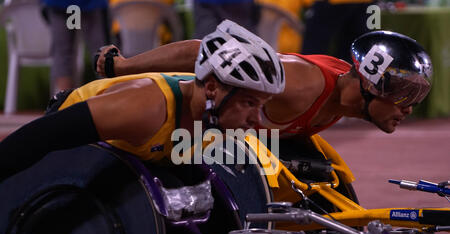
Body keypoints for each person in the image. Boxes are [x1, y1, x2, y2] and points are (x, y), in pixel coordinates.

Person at [0, 20, 285, 182]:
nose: (256, 121)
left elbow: (195, 50)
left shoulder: (213, 110)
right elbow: (39, 137)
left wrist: (122, 65)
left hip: (136, 155)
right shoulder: (144, 108)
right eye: (249, 104)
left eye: (260, 106)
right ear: (211, 89)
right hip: (69, 141)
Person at [96, 30, 433, 137]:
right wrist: (123, 66)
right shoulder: (300, 84)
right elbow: (207, 50)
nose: (409, 107)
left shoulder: (348, 96)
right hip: (179, 112)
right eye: (404, 95)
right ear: (371, 86)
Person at [41, 0, 110, 92]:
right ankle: (108, 99)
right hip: (90, 5)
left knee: (63, 54)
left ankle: (65, 102)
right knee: (101, 53)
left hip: (60, 4)